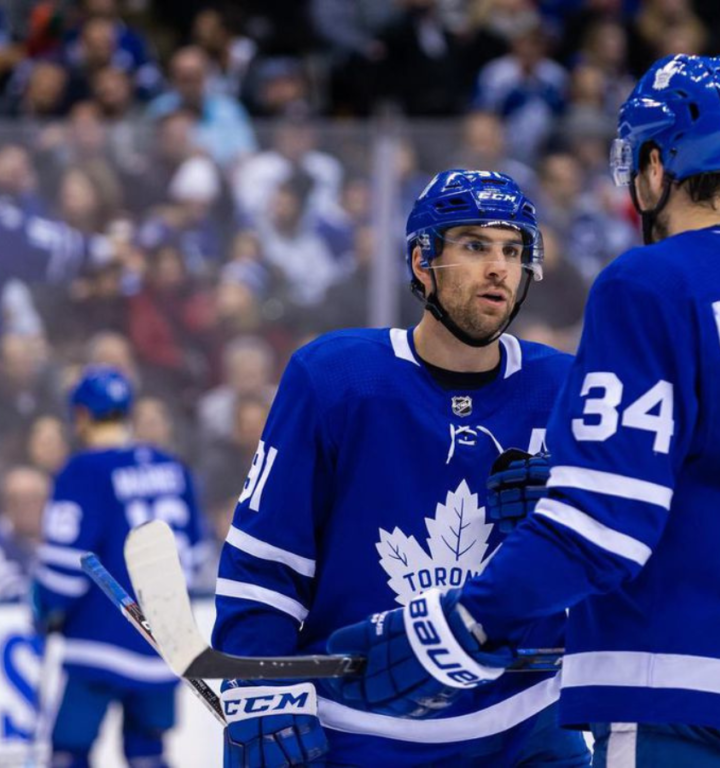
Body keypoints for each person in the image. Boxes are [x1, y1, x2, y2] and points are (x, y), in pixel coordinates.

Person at [328, 55, 720, 767]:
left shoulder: (648, 283)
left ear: (653, 164)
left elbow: (602, 526)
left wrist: (460, 623)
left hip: (678, 687)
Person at [211, 169, 590, 767]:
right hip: (360, 732)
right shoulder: (333, 378)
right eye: (474, 246)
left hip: (525, 726)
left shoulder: (565, 387)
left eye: (513, 251)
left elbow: (621, 560)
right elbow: (266, 557)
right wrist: (261, 680)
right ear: (422, 261)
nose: (499, 268)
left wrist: (569, 527)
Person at [31, 366, 206, 767]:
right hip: (164, 644)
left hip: (99, 641)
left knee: (69, 749)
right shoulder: (172, 467)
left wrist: (47, 609)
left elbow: (63, 565)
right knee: (148, 752)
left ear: (80, 417)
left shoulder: (83, 471)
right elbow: (195, 557)